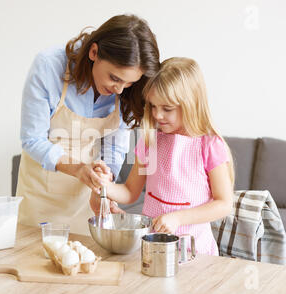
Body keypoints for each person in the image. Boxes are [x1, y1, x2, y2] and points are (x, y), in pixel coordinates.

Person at [16, 14, 160, 235]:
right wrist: (78, 169)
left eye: (129, 83)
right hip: (39, 198)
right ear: (94, 52)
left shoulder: (125, 91)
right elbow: (32, 139)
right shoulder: (48, 66)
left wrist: (103, 184)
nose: (120, 89)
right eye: (114, 78)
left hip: (85, 200)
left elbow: (115, 148)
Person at [99, 57, 235, 255]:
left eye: (167, 108)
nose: (157, 115)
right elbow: (130, 192)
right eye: (153, 106)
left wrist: (178, 218)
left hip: (196, 253)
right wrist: (103, 185)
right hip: (154, 251)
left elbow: (223, 204)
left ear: (191, 104)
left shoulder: (209, 145)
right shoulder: (149, 141)